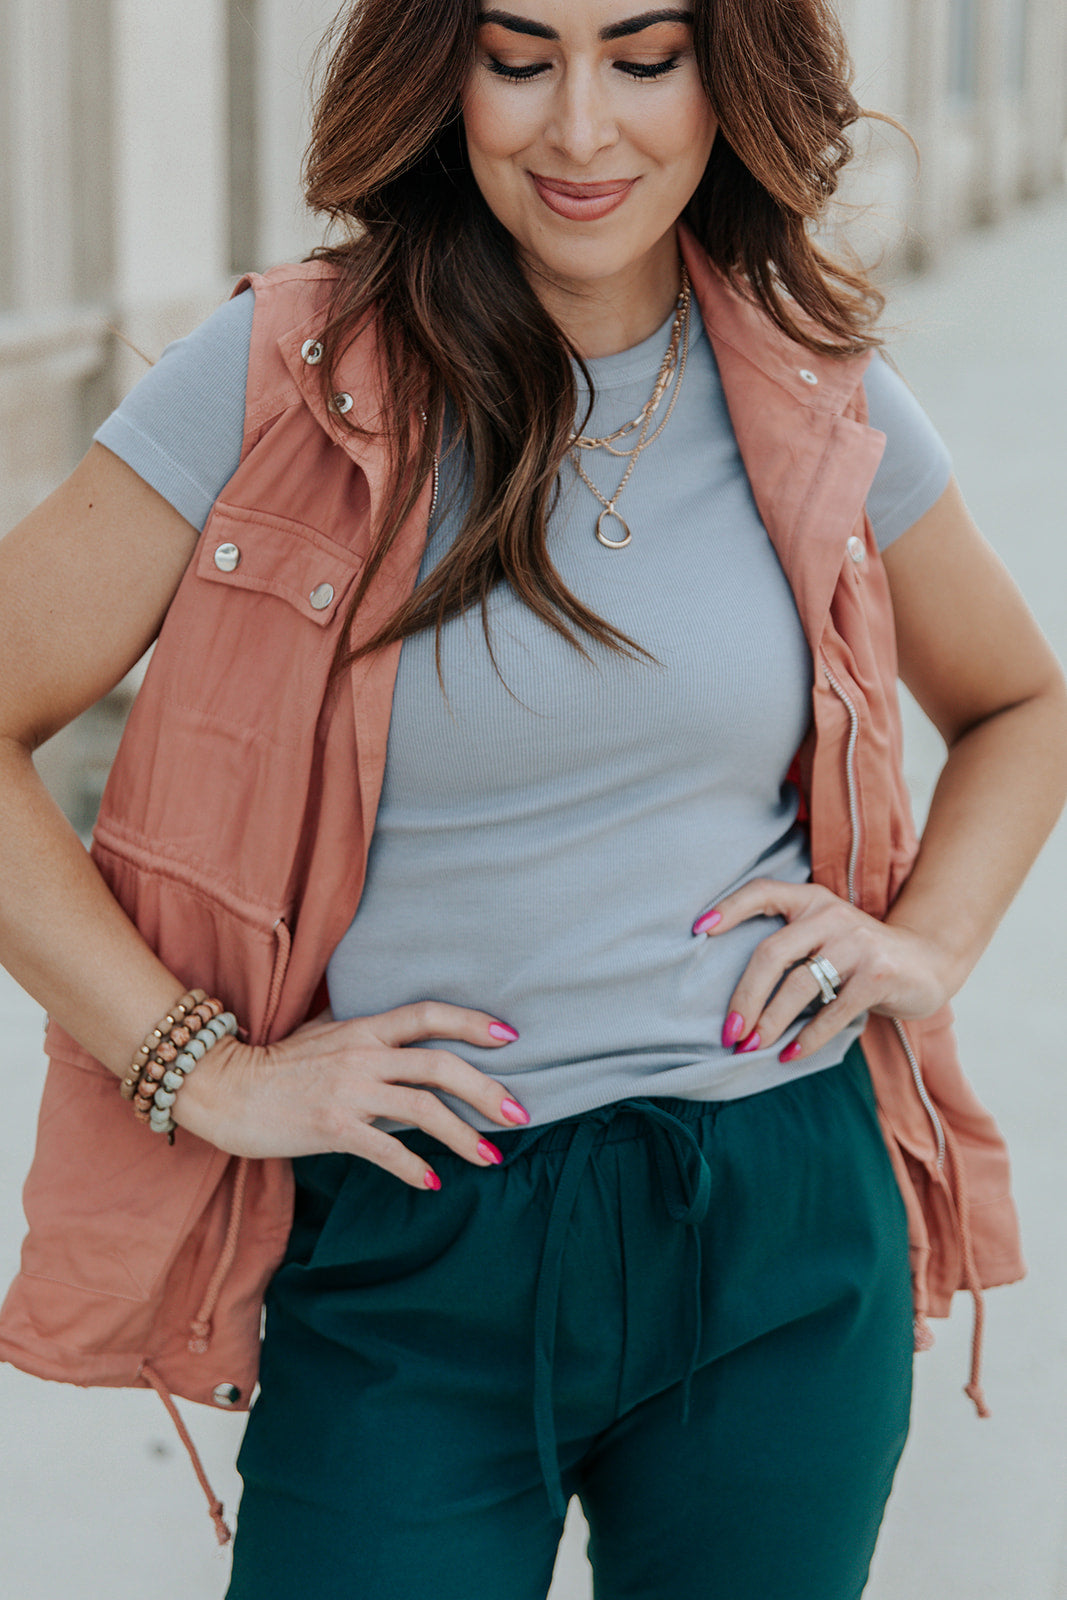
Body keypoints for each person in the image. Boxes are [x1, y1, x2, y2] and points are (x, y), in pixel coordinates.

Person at [0, 1, 1064, 1595]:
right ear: (443, 73)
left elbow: (1024, 704)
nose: (579, 128)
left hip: (777, 1223)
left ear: (726, 77)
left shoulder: (809, 388)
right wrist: (199, 1069)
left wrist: (930, 944)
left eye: (643, 59)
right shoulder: (285, 375)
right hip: (416, 1236)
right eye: (518, 59)